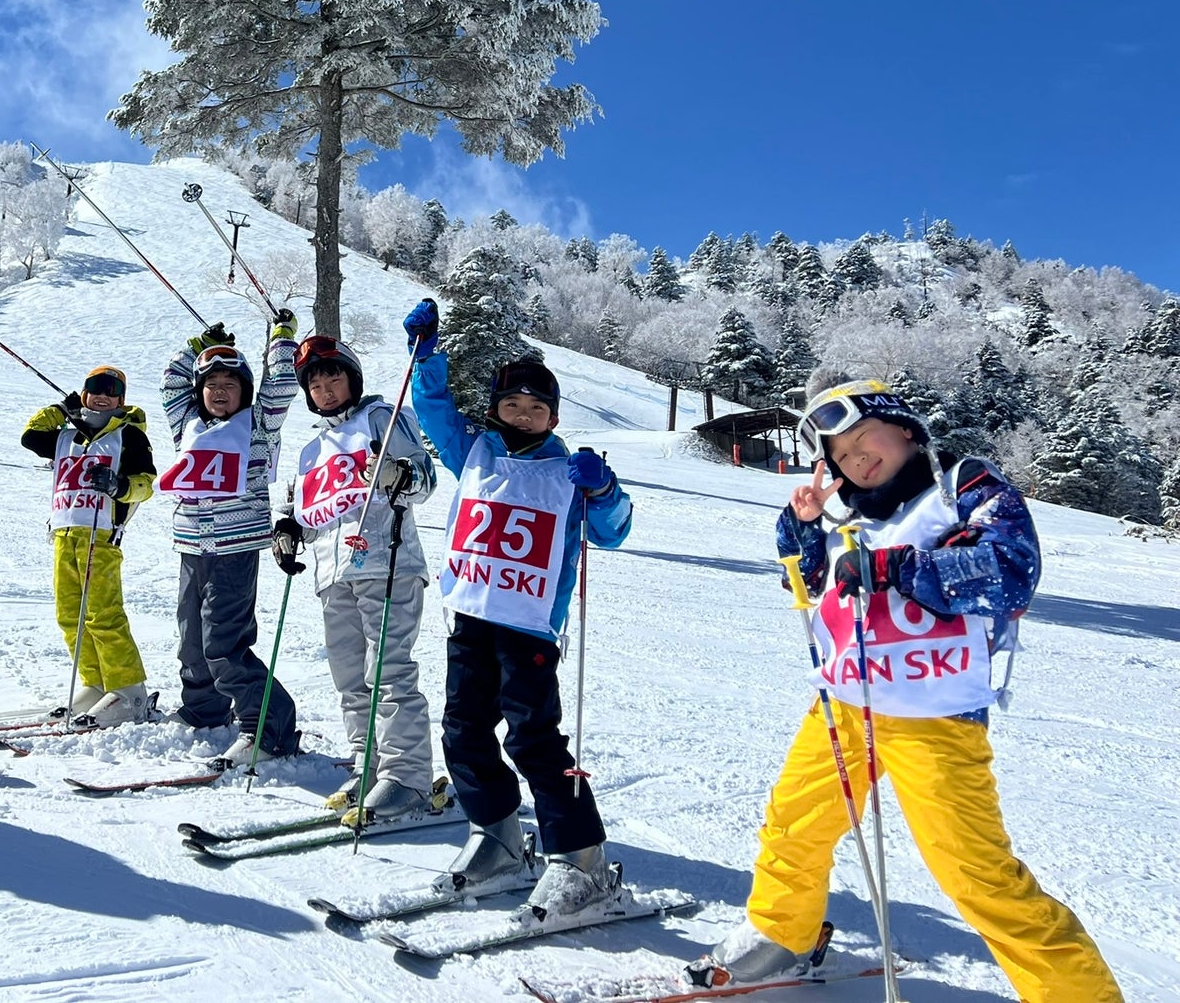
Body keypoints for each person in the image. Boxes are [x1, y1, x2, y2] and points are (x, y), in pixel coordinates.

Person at [692, 374, 1123, 1000]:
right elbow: (809, 585)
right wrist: (802, 527)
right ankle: (782, 931)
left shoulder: (963, 489)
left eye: (865, 439)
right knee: (794, 824)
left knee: (977, 876)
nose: (857, 459)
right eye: (839, 456)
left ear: (905, 430)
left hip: (935, 716)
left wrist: (898, 567)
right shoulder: (849, 520)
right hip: (842, 707)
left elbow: (1010, 571)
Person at [404, 297, 634, 926]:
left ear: (553, 414)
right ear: (496, 409)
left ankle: (581, 856)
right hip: (472, 615)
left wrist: (604, 490)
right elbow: (433, 413)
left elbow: (614, 531)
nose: (524, 414)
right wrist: (426, 360)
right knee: (463, 729)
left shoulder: (569, 470)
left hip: (530, 625)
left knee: (533, 737)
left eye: (538, 407)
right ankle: (499, 834)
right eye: (513, 404)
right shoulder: (474, 452)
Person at [272, 335, 442, 827]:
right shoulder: (309, 450)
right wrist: (288, 530)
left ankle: (407, 776)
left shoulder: (380, 419)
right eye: (315, 382)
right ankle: (370, 767)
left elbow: (424, 479)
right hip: (332, 572)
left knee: (387, 671)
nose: (324, 389)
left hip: (386, 561)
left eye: (334, 377)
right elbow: (302, 509)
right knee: (350, 678)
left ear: (353, 378)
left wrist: (397, 473)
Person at [161, 313, 302, 768]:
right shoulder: (187, 425)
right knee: (191, 640)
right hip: (192, 548)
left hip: (235, 550)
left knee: (224, 642)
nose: (220, 391)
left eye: (230, 383)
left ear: (244, 391)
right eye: (211, 384)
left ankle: (268, 726)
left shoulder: (258, 424)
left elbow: (281, 384)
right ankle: (204, 712)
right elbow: (170, 381)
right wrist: (197, 342)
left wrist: (281, 339)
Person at [20, 366, 155, 728]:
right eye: (95, 387)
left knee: (102, 615)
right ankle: (95, 683)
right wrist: (62, 410)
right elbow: (31, 437)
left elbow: (145, 485)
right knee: (70, 616)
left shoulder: (128, 436)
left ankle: (128, 689)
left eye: (112, 390)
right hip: (65, 534)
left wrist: (117, 485)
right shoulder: (66, 435)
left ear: (121, 400)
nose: (102, 395)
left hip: (100, 536)